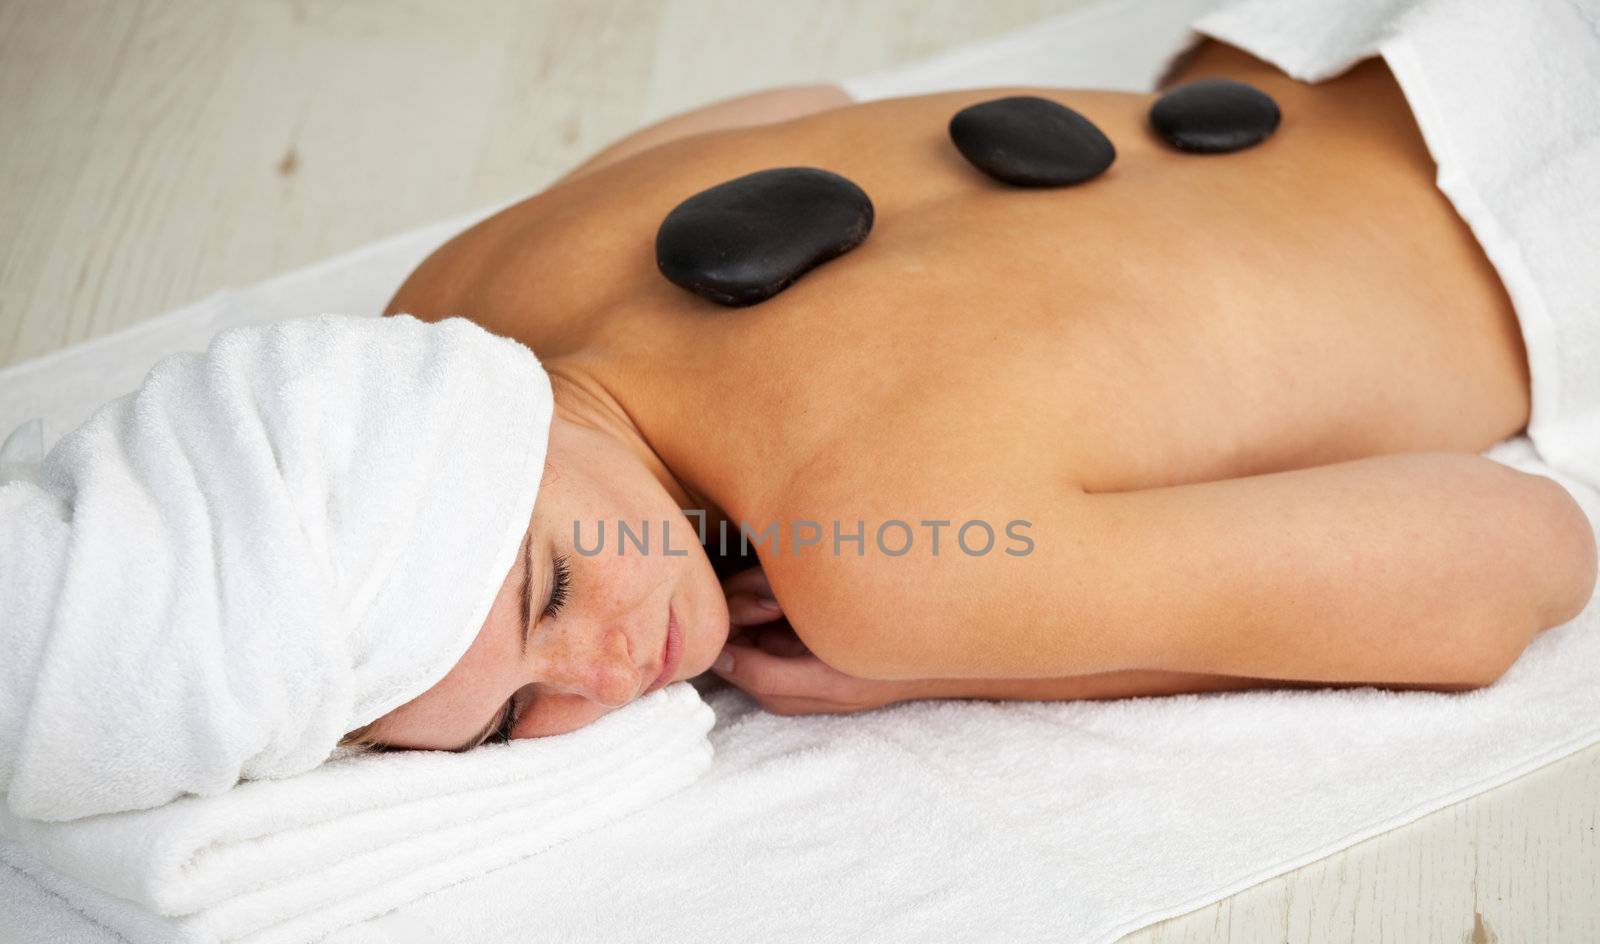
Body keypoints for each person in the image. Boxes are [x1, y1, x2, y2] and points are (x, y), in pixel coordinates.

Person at [345, 33, 1598, 753]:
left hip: (1549, 190)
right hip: (1334, 43)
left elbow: (1527, 552)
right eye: (511, 719)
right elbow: (807, 108)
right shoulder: (451, 291)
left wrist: (983, 661)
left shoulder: (882, 566)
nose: (605, 671)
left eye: (548, 587)